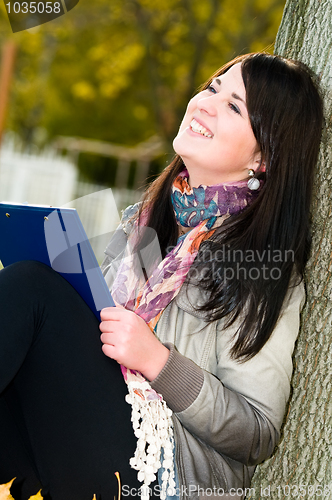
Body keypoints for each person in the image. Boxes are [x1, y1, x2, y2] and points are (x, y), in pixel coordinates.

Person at [0, 52, 323, 500]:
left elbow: (257, 433)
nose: (206, 103)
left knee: (34, 290)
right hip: (92, 424)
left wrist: (157, 361)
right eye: (212, 88)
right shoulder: (147, 220)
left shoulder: (265, 270)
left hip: (164, 473)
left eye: (233, 106)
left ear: (264, 156)